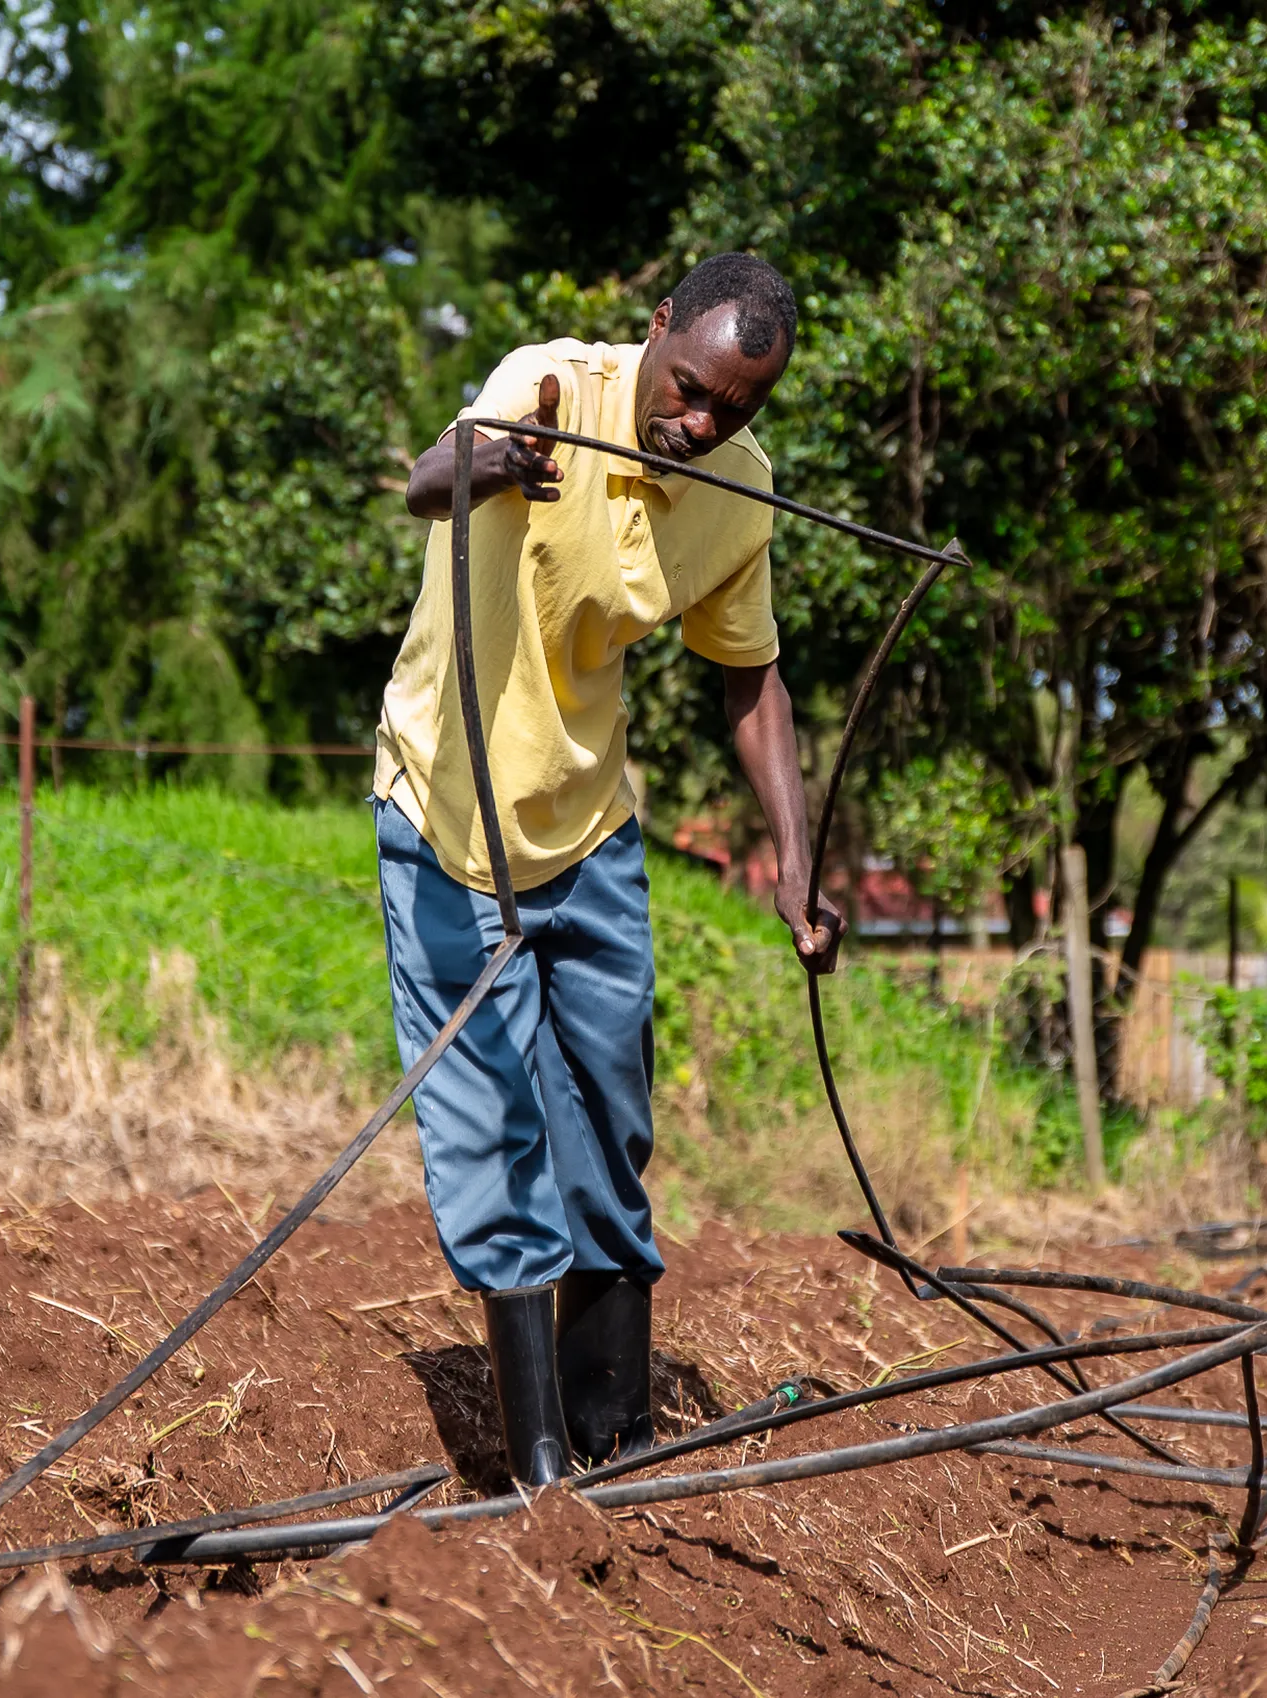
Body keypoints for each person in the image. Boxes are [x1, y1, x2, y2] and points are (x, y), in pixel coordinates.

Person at [373, 252, 845, 1486]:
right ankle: (540, 1469)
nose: (699, 424)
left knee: (609, 1115)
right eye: (688, 389)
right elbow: (425, 481)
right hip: (447, 823)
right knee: (492, 1126)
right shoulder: (542, 392)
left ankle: (615, 1432)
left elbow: (750, 679)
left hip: (588, 832)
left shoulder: (740, 489)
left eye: (734, 410)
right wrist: (477, 465)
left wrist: (794, 857)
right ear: (656, 331)